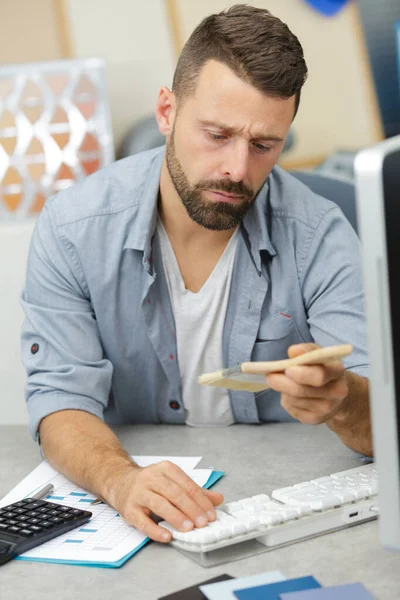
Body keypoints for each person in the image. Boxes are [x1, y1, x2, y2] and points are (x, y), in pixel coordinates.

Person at [21, 4, 371, 543]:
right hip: (136, 511)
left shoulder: (321, 232)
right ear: (167, 110)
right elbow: (60, 401)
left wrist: (342, 399)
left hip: (287, 508)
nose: (237, 168)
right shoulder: (73, 228)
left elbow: (381, 424)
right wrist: (119, 480)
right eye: (216, 134)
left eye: (263, 145)